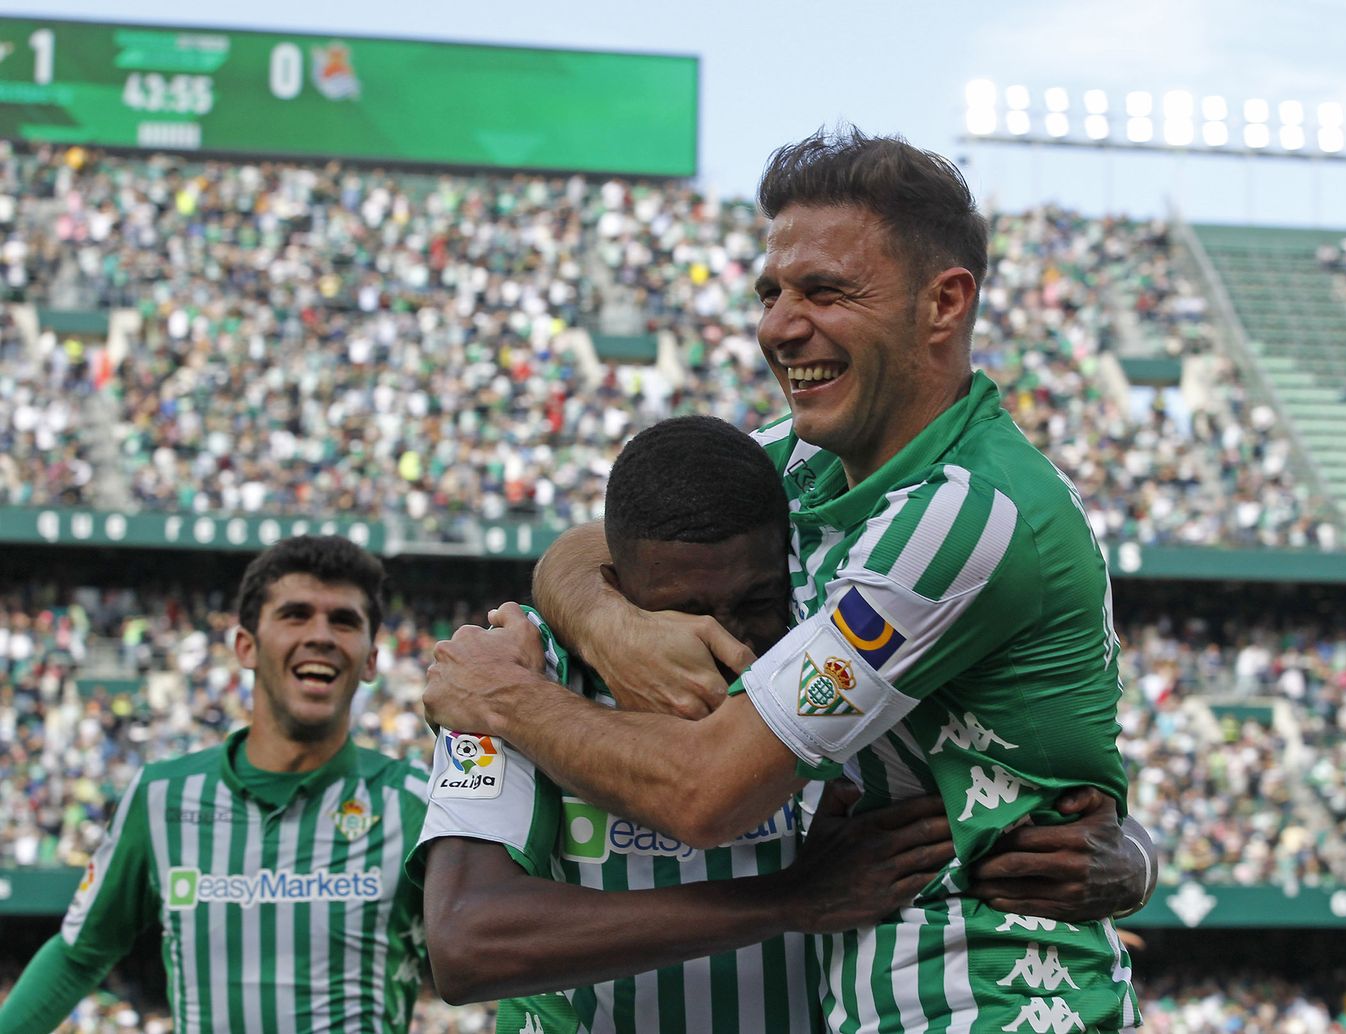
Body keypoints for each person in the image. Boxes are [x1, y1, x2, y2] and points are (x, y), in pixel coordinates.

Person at [425, 127, 1144, 1031]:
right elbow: (608, 530)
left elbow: (706, 793)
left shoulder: (965, 515)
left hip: (989, 1003)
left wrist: (505, 700)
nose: (778, 324)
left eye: (826, 291)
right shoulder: (800, 461)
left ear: (944, 304)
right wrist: (613, 625)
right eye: (771, 291)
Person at [410, 415, 1153, 1033]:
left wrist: (1135, 855)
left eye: (756, 601)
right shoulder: (516, 674)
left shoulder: (826, 668)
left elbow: (1024, 799)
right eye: (684, 611)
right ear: (617, 586)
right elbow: (468, 942)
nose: (731, 643)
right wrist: (786, 902)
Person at [0, 536, 429, 1034]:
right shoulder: (162, 798)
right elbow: (79, 955)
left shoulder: (416, 804)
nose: (321, 635)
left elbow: (494, 960)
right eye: (295, 614)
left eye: (344, 621)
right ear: (245, 645)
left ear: (371, 659)